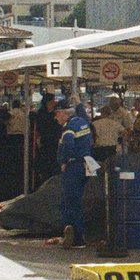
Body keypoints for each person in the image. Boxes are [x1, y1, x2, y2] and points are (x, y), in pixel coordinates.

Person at [55, 101, 92, 248]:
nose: (55, 117)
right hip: (86, 163)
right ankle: (76, 233)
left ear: (64, 113)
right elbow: (85, 116)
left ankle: (75, 235)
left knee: (70, 200)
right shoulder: (82, 122)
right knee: (76, 199)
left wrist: (64, 160)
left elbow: (69, 145)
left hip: (74, 165)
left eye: (57, 114)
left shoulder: (68, 128)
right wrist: (79, 104)